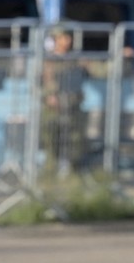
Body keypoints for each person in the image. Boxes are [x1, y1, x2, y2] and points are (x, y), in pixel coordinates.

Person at [40, 28, 86, 175]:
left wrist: (120, 57)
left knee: (74, 141)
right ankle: (50, 171)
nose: (66, 41)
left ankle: (72, 172)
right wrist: (48, 96)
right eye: (62, 38)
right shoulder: (47, 60)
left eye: (68, 37)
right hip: (52, 109)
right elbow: (40, 82)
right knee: (50, 140)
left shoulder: (76, 59)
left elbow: (100, 69)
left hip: (71, 107)